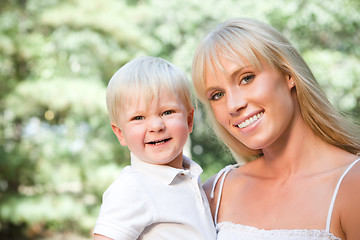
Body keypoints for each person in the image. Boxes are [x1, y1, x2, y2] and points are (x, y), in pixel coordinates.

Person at [191, 17, 360, 240]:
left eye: (246, 78)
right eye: (217, 95)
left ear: (288, 74)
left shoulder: (352, 185)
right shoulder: (216, 193)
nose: (233, 105)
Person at [93, 56, 216, 240]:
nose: (156, 126)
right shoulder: (132, 188)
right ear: (120, 133)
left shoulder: (190, 177)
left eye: (167, 112)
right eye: (138, 118)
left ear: (189, 120)